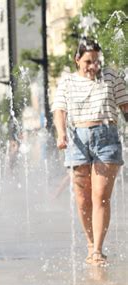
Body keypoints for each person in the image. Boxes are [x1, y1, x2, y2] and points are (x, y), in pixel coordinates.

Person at [52, 38, 128, 266]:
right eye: (88, 61)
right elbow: (60, 110)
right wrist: (60, 133)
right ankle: (89, 242)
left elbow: (125, 106)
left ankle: (97, 250)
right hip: (77, 141)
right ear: (77, 60)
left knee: (100, 197)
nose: (93, 66)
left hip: (106, 139)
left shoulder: (112, 77)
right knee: (83, 200)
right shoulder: (67, 82)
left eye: (96, 61)